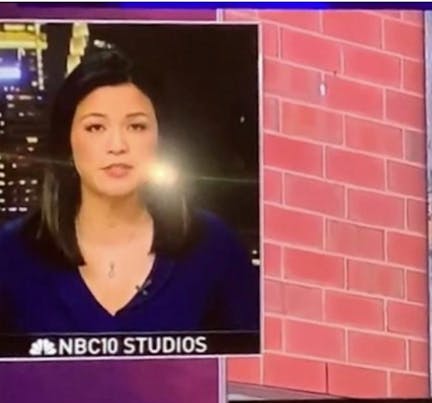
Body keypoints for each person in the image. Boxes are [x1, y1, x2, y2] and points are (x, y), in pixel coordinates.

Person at [0, 48, 258, 337]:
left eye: (136, 126)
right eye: (96, 127)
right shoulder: (10, 254)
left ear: (160, 139)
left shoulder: (214, 248)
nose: (117, 145)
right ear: (67, 145)